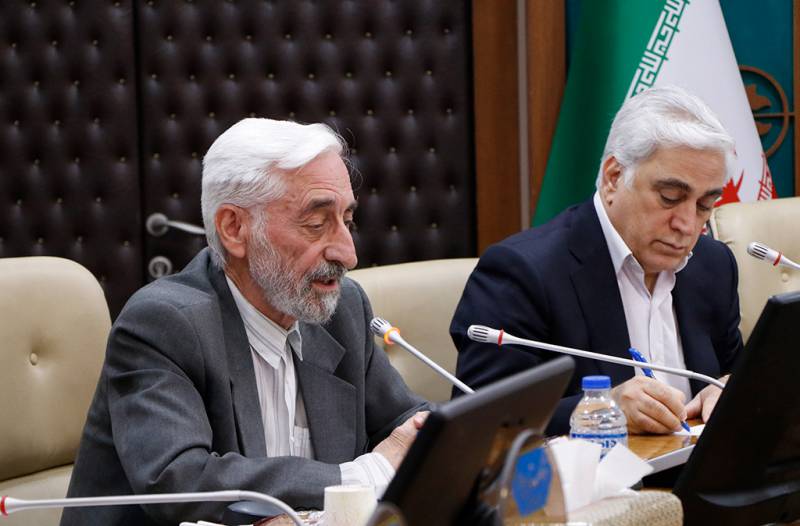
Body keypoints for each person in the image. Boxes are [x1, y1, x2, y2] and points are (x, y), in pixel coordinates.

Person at [62, 118, 428, 526]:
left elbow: (405, 430)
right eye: (316, 224)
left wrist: (434, 437)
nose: (348, 253)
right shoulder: (162, 325)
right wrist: (355, 479)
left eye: (348, 221)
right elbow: (180, 480)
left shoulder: (341, 310)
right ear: (234, 228)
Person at [451, 85, 742, 436]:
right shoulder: (523, 273)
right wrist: (602, 409)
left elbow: (732, 373)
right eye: (669, 197)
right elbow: (479, 421)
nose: (688, 224)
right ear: (613, 177)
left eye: (705, 205)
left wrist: (728, 389)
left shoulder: (713, 265)